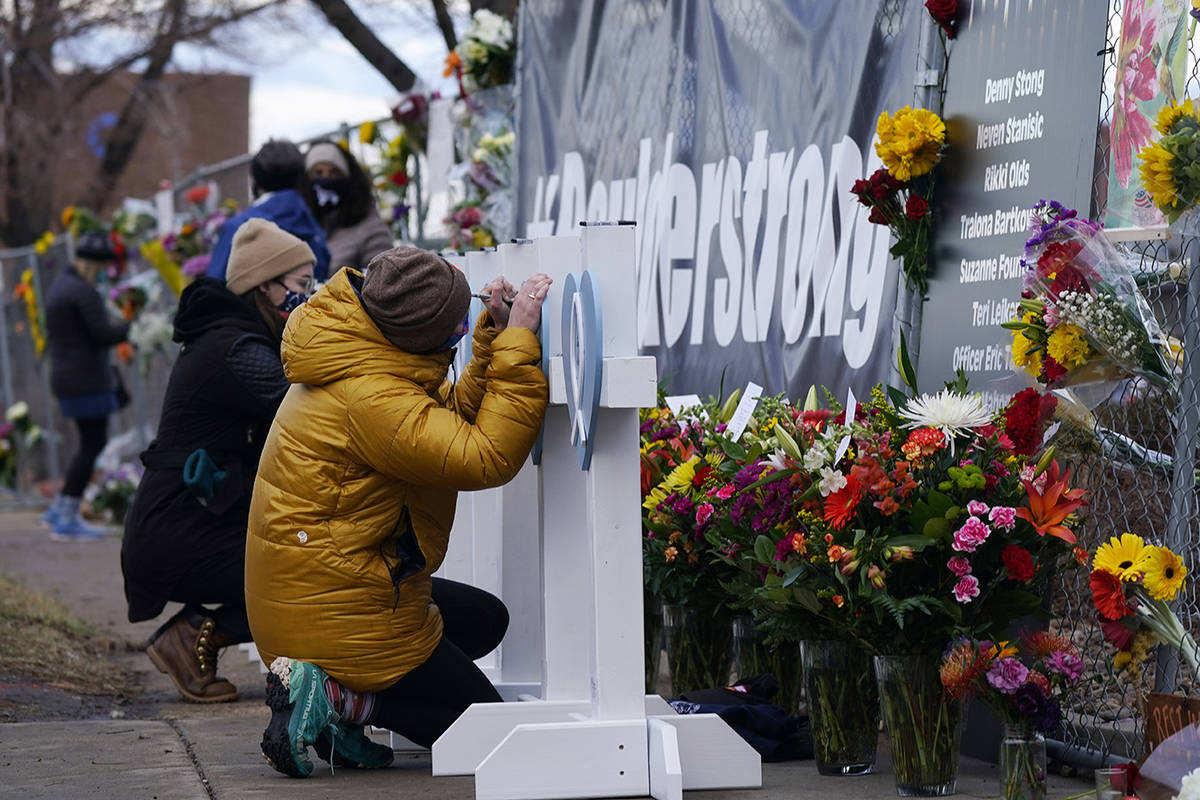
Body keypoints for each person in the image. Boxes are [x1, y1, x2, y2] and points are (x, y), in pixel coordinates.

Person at [244, 247, 550, 777]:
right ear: (423, 335)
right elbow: (485, 455)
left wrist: (490, 341)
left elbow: (442, 424)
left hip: (317, 593)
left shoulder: (359, 354)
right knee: (488, 735)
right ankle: (340, 698)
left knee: (486, 621)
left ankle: (337, 696)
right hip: (332, 611)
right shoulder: (372, 398)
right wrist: (520, 342)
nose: (461, 328)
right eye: (457, 323)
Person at [121, 219, 316, 703]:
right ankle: (193, 637)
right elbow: (303, 407)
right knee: (306, 576)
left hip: (188, 522)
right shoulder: (239, 348)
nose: (309, 299)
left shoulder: (232, 336)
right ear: (263, 286)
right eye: (300, 286)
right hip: (181, 532)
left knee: (307, 564)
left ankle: (194, 634)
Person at [42, 230, 130, 541]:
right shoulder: (82, 291)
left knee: (86, 444)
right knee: (92, 444)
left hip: (70, 377)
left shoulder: (63, 286)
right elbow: (103, 333)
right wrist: (134, 325)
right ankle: (66, 517)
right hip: (85, 380)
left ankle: (60, 508)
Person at [206, 139, 331, 283]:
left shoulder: (239, 227)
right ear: (300, 177)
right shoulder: (312, 227)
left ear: (256, 178)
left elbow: (213, 289)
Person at [304, 140, 394, 271]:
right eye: (318, 173)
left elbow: (381, 279)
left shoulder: (371, 228)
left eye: (334, 172)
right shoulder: (302, 223)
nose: (326, 179)